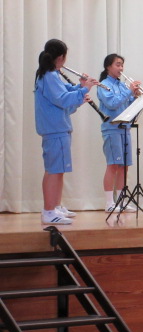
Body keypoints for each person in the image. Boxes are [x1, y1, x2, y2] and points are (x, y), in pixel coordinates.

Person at [34, 39, 98, 224]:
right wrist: (84, 89)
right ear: (61, 57)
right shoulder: (49, 76)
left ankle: (54, 206)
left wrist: (80, 87)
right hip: (55, 130)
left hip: (57, 129)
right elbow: (62, 99)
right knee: (54, 171)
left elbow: (65, 91)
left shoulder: (51, 75)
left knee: (58, 170)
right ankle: (48, 211)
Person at [97, 54, 140, 213]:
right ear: (108, 66)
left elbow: (127, 106)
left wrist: (135, 97)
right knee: (113, 165)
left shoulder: (122, 85)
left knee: (124, 166)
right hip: (112, 129)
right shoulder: (103, 85)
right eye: (117, 64)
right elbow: (112, 103)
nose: (121, 68)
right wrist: (129, 91)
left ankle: (122, 201)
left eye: (122, 65)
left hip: (125, 128)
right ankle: (109, 202)